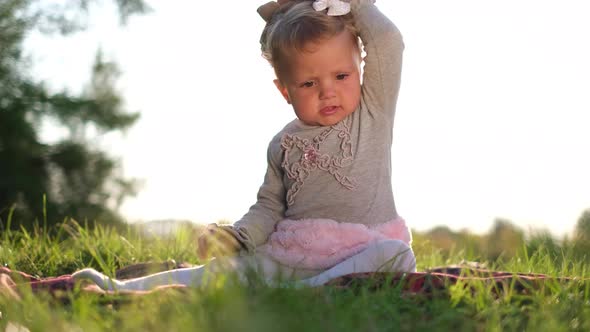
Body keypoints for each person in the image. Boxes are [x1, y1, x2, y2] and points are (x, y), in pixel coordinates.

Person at [73, 0, 416, 291]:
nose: (327, 91)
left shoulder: (373, 113)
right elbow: (269, 209)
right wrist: (239, 238)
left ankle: (310, 292)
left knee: (397, 254)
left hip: (362, 251)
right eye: (309, 83)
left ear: (358, 71)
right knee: (221, 273)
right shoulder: (283, 144)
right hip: (296, 254)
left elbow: (388, 41)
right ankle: (119, 287)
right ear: (285, 91)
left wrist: (353, 4)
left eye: (341, 76)